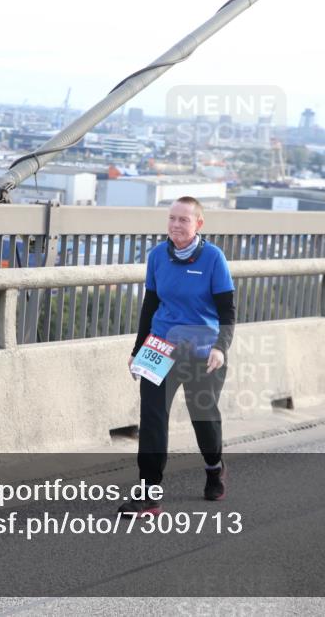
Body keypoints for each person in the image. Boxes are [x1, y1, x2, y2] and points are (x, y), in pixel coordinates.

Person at [118, 196, 236, 517]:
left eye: (184, 219)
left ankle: (214, 468)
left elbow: (227, 310)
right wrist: (137, 349)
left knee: (204, 417)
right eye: (172, 218)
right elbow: (150, 305)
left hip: (202, 348)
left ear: (198, 223)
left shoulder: (213, 258)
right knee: (153, 419)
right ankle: (149, 494)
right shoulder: (157, 256)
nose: (175, 225)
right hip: (160, 346)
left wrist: (220, 348)